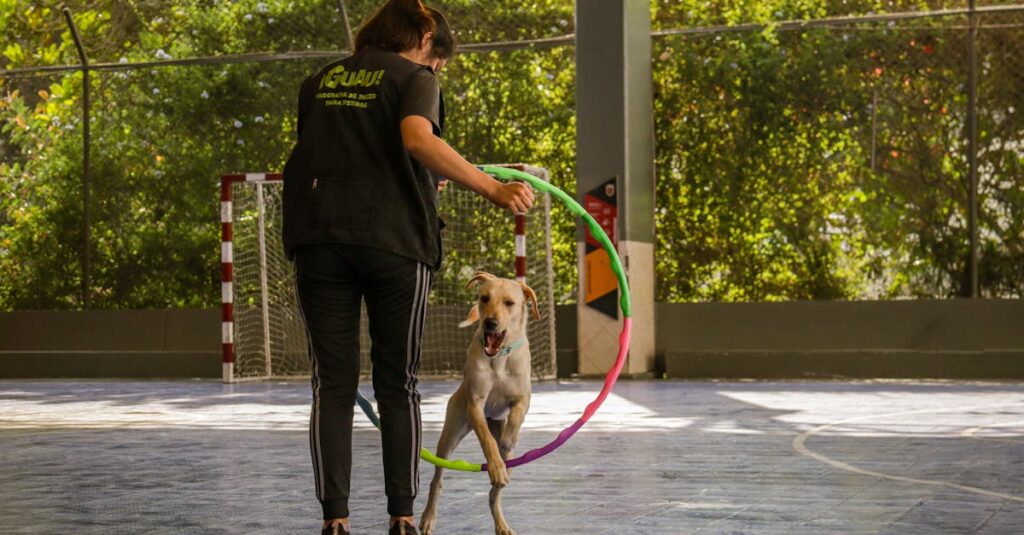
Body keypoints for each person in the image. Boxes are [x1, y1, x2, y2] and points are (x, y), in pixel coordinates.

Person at [281, 1, 534, 534]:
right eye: (438, 57)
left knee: (332, 382)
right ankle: (401, 516)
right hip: (393, 240)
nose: (437, 68)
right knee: (398, 382)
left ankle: (335, 520)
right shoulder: (414, 76)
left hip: (318, 237)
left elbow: (338, 152)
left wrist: (419, 175)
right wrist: (492, 188)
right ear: (423, 35)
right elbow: (417, 139)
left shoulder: (319, 80)